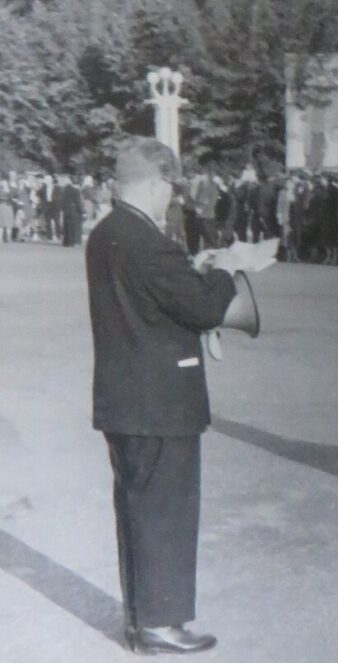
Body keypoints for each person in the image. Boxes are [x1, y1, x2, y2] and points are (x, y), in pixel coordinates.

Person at [85, 138, 242, 655]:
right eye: (169, 189)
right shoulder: (147, 240)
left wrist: (187, 271)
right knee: (166, 513)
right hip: (161, 402)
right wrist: (223, 271)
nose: (170, 199)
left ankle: (140, 620)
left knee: (136, 510)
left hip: (124, 398)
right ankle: (161, 625)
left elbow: (151, 298)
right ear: (155, 183)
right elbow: (200, 309)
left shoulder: (106, 234)